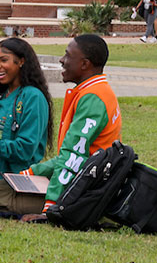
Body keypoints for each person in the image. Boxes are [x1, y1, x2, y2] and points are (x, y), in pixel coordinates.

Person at [19, 34, 122, 219]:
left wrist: (51, 208)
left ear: (84, 64)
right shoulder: (95, 91)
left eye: (67, 55)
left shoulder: (93, 97)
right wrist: (31, 173)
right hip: (85, 183)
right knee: (0, 186)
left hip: (83, 192)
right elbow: (74, 156)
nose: (61, 60)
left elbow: (73, 156)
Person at [0, 37, 53, 212]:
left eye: (3, 60)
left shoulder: (33, 97)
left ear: (21, 61)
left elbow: (25, 149)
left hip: (13, 178)